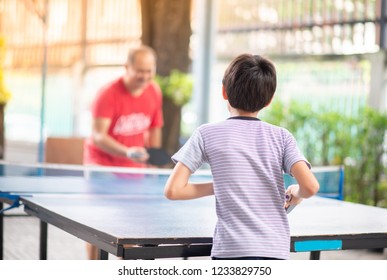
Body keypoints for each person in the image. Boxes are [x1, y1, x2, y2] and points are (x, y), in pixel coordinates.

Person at [164, 54, 319, 260]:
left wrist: (222, 184)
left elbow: (174, 190)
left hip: (230, 250)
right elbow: (311, 187)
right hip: (274, 251)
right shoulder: (282, 137)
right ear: (269, 100)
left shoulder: (206, 134)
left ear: (224, 91)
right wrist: (296, 193)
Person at [83, 45, 164, 259]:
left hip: (134, 170)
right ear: (126, 67)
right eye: (140, 71)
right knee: (97, 228)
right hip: (102, 166)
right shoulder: (107, 94)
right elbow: (98, 136)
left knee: (132, 229)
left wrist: (153, 164)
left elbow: (155, 128)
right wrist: (127, 152)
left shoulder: (154, 91)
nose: (145, 76)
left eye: (149, 71)